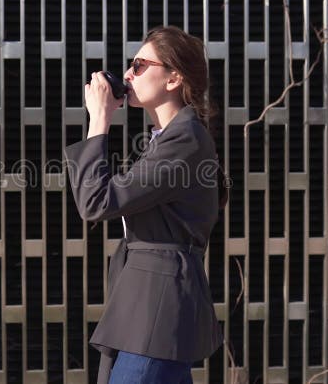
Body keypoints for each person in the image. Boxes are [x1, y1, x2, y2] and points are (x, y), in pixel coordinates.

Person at [64, 25, 229, 384]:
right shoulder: (171, 139)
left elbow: (96, 202)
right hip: (149, 305)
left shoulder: (184, 141)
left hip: (157, 308)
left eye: (139, 65)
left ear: (173, 78)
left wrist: (100, 121)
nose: (126, 74)